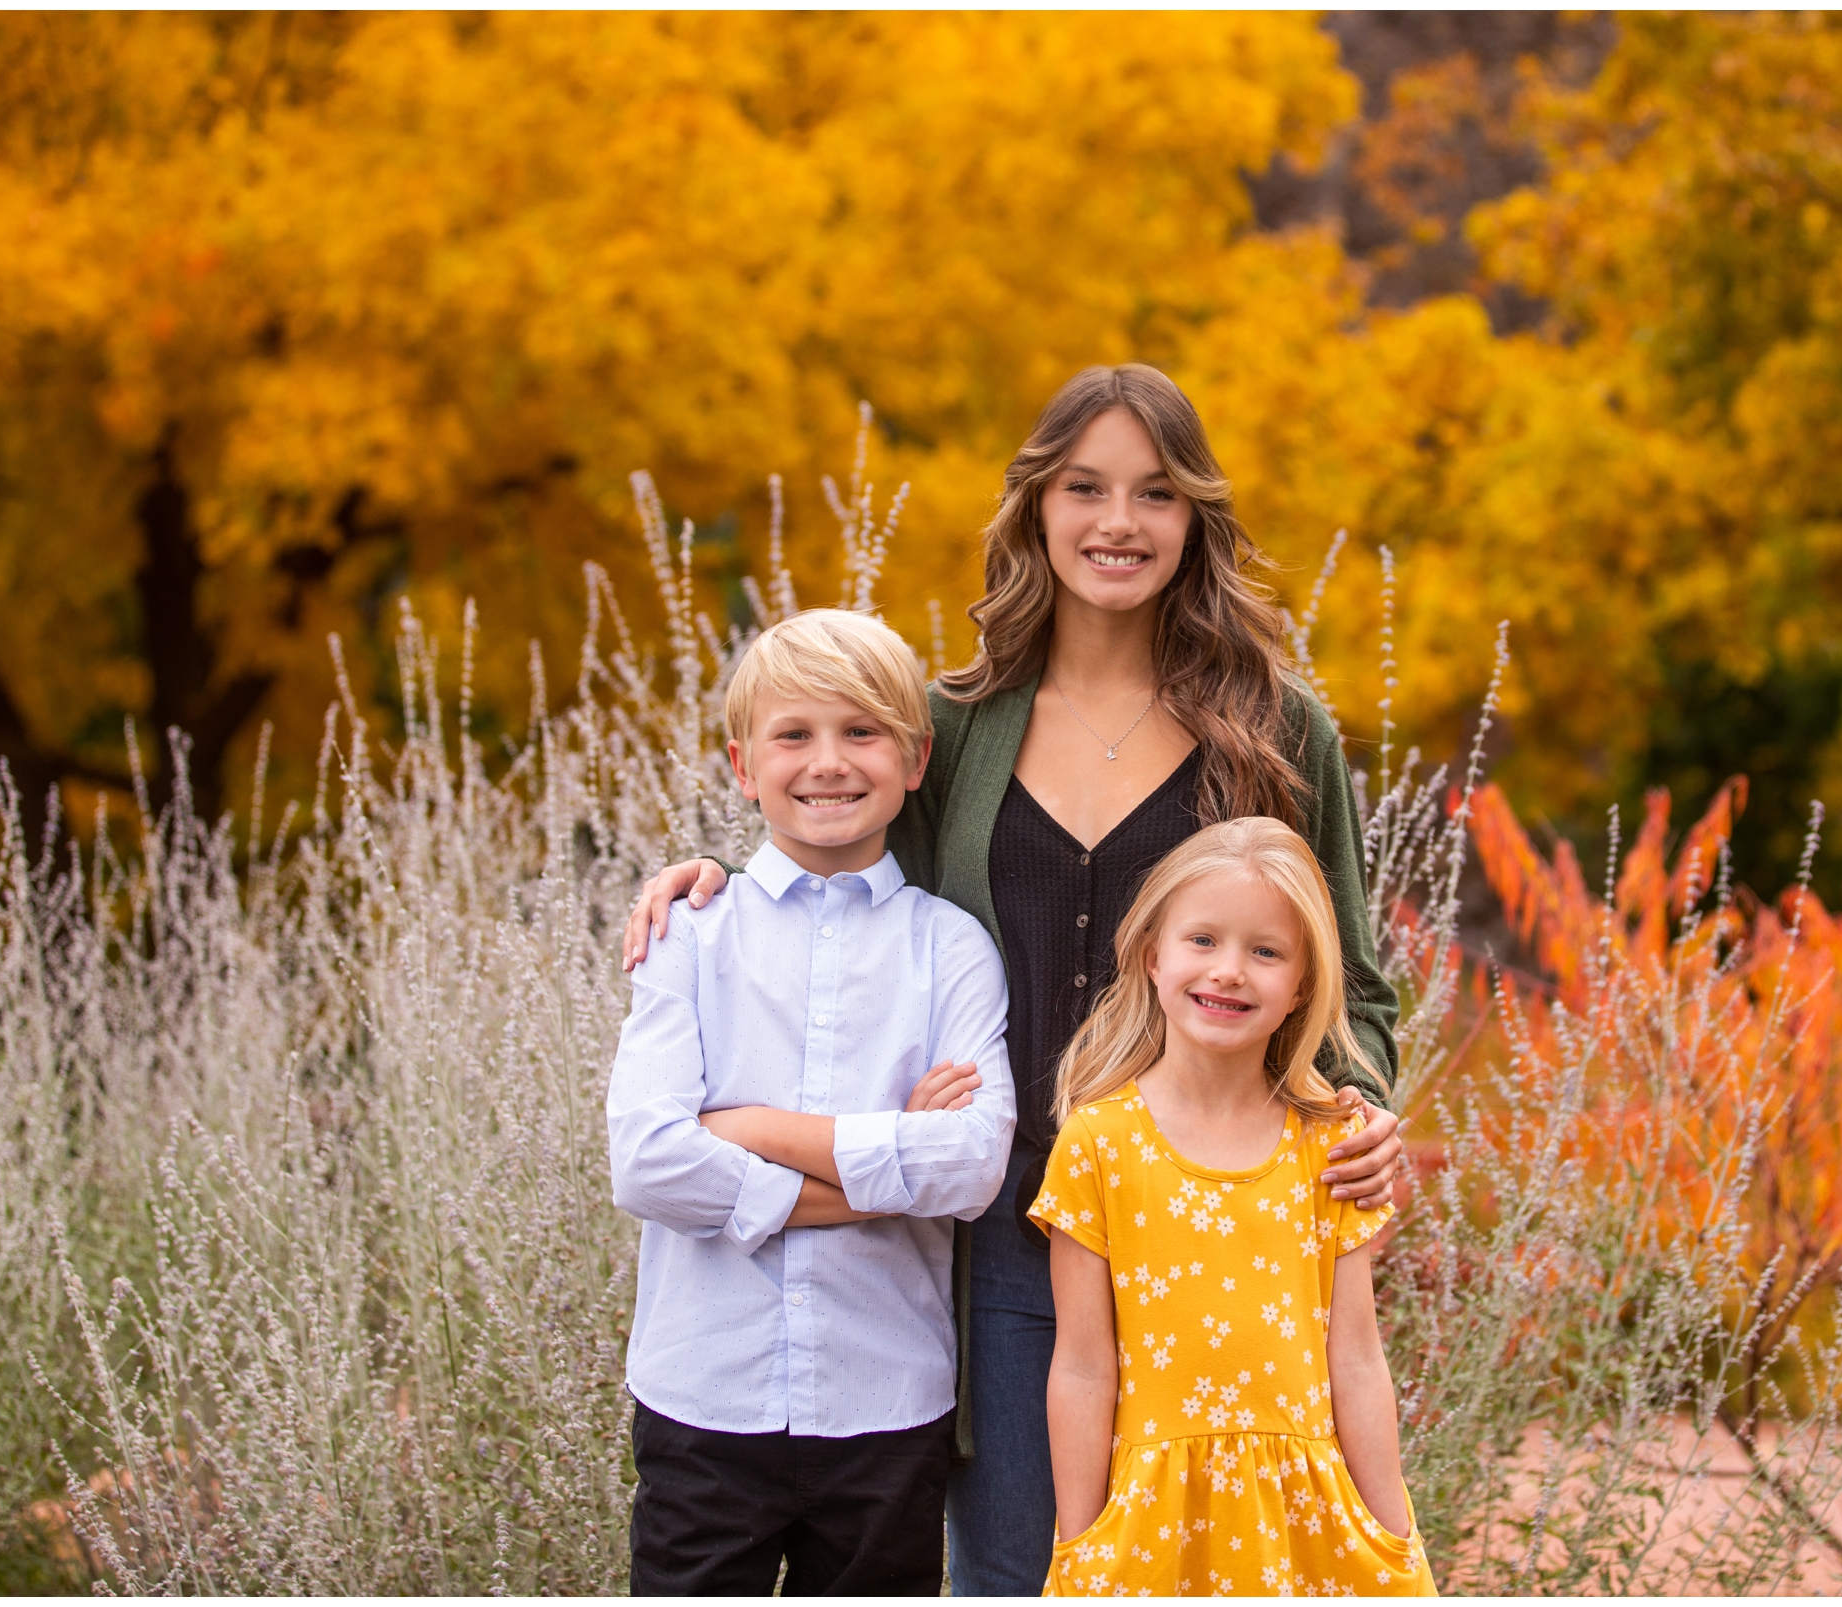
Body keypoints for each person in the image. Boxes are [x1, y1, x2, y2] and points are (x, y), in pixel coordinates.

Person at [620, 363, 1407, 1593]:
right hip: (1007, 1250)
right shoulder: (957, 725)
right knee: (1021, 1576)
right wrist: (715, 877)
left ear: (1194, 517)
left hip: (1221, 1246)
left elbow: (1350, 988)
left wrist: (1358, 1110)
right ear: (1036, 505)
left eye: (1155, 493)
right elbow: (839, 852)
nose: (1117, 522)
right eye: (1084, 486)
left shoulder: (1277, 731)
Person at [609, 608, 1016, 1595]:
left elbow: (971, 1161)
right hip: (705, 1398)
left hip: (886, 1404)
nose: (828, 760)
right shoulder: (691, 934)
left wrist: (747, 1133)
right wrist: (887, 1171)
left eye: (861, 731)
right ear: (745, 766)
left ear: (916, 759)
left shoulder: (950, 945)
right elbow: (650, 1160)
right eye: (794, 734)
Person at [1030, 817, 1433, 1596]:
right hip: (1152, 1524)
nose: (1230, 971)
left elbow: (1355, 1356)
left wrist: (1392, 1535)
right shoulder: (1098, 1143)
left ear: (1302, 986)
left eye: (1266, 951)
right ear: (1154, 954)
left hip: (1305, 1525)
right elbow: (1082, 1365)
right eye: (1203, 940)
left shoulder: (1329, 1147)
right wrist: (1079, 1543)